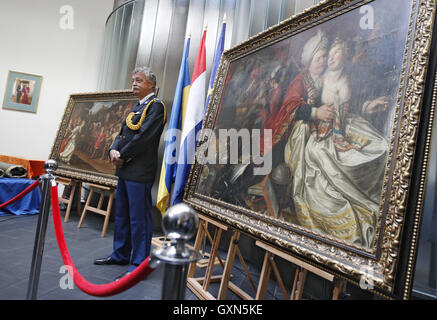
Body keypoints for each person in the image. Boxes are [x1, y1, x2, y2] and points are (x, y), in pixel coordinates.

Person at [287, 37, 389, 248]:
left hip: (346, 125)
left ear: (346, 55)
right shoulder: (315, 79)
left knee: (381, 147)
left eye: (333, 53)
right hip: (321, 132)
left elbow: (352, 104)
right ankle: (337, 216)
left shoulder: (347, 79)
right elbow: (297, 108)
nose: (328, 59)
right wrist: (316, 112)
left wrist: (368, 106)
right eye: (324, 56)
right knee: (323, 156)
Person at [94, 67, 166, 281]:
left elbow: (144, 138)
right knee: (121, 215)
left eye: (139, 80)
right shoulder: (137, 106)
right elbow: (121, 133)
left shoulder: (156, 107)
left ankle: (139, 263)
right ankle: (121, 254)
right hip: (124, 168)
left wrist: (122, 154)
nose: (134, 83)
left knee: (138, 219)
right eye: (133, 80)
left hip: (139, 170)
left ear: (150, 84)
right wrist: (113, 150)